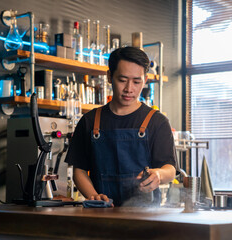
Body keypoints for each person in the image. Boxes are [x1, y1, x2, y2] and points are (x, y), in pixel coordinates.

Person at [65, 46, 177, 207]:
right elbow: (79, 170)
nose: (129, 89)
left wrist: (159, 174)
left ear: (145, 80)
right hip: (101, 214)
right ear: (109, 76)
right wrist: (94, 196)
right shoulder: (90, 121)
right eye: (122, 80)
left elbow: (170, 168)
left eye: (137, 81)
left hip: (146, 217)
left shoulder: (157, 121)